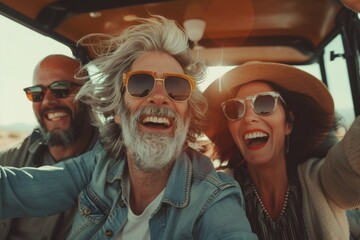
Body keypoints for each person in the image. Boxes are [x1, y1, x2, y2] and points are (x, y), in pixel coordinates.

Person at [0, 16, 257, 240]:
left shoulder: (214, 197)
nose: (159, 97)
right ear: (118, 112)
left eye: (176, 87)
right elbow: (12, 190)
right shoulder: (98, 166)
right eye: (141, 84)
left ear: (188, 116)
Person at [203, 61, 360, 240]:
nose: (248, 117)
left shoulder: (319, 178)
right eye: (235, 108)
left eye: (264, 103)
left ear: (288, 123)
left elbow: (351, 162)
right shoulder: (219, 190)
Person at [0, 54, 98, 240]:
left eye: (61, 89)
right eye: (37, 94)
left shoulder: (113, 168)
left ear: (89, 94)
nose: (47, 101)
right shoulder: (9, 160)